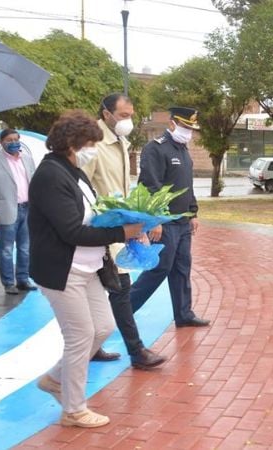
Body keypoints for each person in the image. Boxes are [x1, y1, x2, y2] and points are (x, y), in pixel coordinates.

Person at [29, 110, 144, 428]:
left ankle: (55, 379)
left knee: (103, 326)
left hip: (88, 266)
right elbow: (71, 231)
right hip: (63, 270)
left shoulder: (73, 171)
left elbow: (93, 212)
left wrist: (128, 219)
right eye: (91, 143)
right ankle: (73, 409)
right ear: (73, 143)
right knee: (80, 336)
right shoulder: (50, 175)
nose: (94, 148)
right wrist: (123, 233)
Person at [81, 93, 167, 370]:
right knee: (118, 288)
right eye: (124, 115)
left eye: (131, 115)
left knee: (114, 289)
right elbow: (81, 187)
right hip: (98, 230)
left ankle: (96, 347)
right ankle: (137, 351)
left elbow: (122, 190)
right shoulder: (92, 144)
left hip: (118, 228)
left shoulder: (120, 142)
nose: (128, 121)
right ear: (106, 113)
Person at [129, 107, 210, 328]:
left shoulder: (183, 151)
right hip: (165, 224)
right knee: (159, 269)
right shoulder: (155, 149)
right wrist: (155, 220)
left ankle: (184, 314)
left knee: (182, 268)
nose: (189, 132)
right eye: (185, 127)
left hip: (183, 223)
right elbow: (149, 187)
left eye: (191, 128)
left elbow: (187, 186)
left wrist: (193, 212)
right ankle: (124, 310)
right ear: (172, 123)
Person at [0, 129, 37, 295]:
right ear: (1, 142)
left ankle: (23, 279)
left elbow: (33, 183)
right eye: (9, 140)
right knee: (6, 249)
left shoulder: (27, 159)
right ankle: (8, 283)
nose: (13, 142)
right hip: (6, 210)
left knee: (25, 247)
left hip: (27, 208)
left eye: (16, 139)